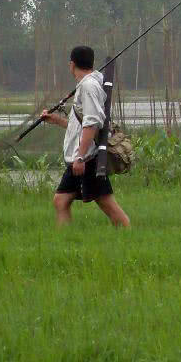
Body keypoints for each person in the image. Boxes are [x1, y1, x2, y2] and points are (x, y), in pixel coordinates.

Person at [41, 46, 130, 227]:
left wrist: (80, 157)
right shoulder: (87, 85)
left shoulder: (89, 86)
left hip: (88, 158)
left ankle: (128, 236)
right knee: (61, 201)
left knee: (108, 205)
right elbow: (81, 126)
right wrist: (56, 120)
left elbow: (92, 124)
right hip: (81, 158)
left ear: (71, 64)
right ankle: (65, 242)